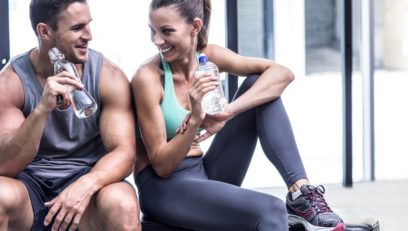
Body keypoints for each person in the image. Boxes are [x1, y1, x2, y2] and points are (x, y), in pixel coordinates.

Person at [131, 0, 345, 230]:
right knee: (271, 209)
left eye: (166, 31)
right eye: (152, 31)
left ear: (194, 27)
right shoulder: (148, 78)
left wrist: (228, 112)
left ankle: (300, 193)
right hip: (164, 188)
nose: (157, 40)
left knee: (259, 86)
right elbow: (162, 166)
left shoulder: (208, 56)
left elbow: (283, 74)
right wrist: (195, 117)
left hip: (203, 172)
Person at [0, 0, 140, 230]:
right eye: (77, 28)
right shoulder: (10, 83)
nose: (89, 35)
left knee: (124, 204)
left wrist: (85, 185)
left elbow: (124, 153)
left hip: (89, 184)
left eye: (88, 25)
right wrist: (41, 110)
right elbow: (5, 164)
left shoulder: (108, 77)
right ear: (45, 31)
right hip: (30, 185)